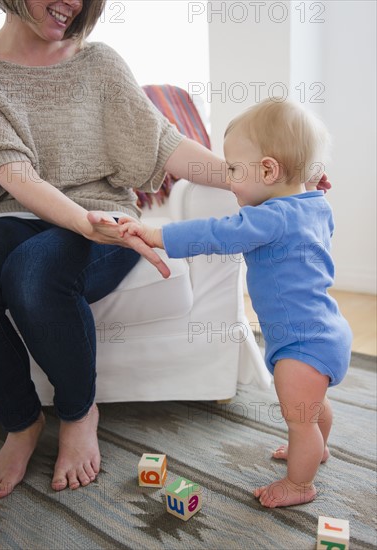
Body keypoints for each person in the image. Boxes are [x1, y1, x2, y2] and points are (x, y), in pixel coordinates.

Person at [0, 0, 260, 499]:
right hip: (15, 214)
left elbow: (164, 145)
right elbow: (14, 174)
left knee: (34, 275)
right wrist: (79, 221)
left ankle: (77, 411)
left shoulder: (100, 63)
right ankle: (21, 421)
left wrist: (258, 180)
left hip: (106, 218)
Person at [117, 98, 352, 508]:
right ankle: (316, 447)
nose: (227, 178)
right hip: (325, 331)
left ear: (268, 170)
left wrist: (158, 235)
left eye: (232, 170)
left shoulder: (268, 218)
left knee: (299, 417)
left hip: (300, 343)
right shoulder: (314, 205)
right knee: (313, 407)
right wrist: (310, 184)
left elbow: (217, 234)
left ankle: (300, 483)